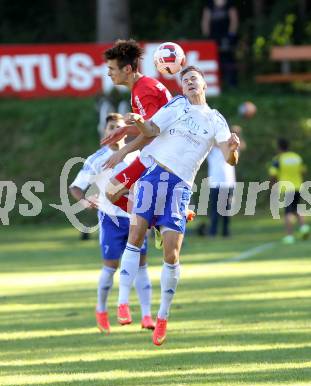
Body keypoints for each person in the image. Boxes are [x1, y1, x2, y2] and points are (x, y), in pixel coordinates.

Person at [115, 65, 240, 346]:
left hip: (180, 187)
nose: (190, 84)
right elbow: (150, 129)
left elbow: (229, 158)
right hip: (154, 176)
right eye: (185, 81)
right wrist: (138, 120)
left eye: (194, 79)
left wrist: (232, 150)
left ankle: (162, 317)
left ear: (204, 84)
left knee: (171, 254)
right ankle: (122, 303)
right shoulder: (175, 106)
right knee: (135, 236)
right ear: (182, 88)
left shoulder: (215, 119)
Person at [69, 113, 155, 334]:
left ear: (125, 131)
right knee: (110, 267)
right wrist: (86, 200)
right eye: (110, 127)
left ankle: (146, 315)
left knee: (141, 265)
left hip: (136, 217)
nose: (114, 130)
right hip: (111, 220)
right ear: (105, 132)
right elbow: (75, 187)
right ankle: (101, 310)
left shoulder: (137, 154)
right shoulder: (96, 159)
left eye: (119, 126)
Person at [101, 39, 172, 213]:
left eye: (111, 69)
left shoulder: (143, 90)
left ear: (126, 69)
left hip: (160, 156)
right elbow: (152, 126)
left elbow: (152, 132)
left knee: (112, 191)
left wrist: (123, 151)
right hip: (160, 152)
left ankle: (156, 220)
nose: (108, 73)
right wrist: (125, 129)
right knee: (119, 193)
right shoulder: (143, 86)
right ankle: (156, 219)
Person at [198, 125, 246, 237]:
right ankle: (213, 231)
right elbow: (208, 141)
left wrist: (237, 135)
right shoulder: (211, 149)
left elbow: (242, 145)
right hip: (215, 182)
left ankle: (225, 232)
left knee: (226, 209)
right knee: (214, 209)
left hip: (228, 182)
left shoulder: (231, 148)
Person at [269, 138, 310, 244]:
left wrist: (272, 186)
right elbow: (302, 171)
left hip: (286, 188)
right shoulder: (297, 157)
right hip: (298, 186)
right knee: (295, 208)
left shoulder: (278, 159)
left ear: (279, 147)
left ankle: (289, 236)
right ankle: (304, 227)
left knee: (288, 212)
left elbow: (273, 174)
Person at [201, 0, 239, 87]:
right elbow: (205, 21)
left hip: (226, 37)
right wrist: (207, 37)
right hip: (213, 37)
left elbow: (234, 20)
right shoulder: (209, 4)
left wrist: (231, 35)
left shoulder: (230, 4)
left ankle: (232, 83)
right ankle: (217, 83)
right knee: (215, 59)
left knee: (228, 59)